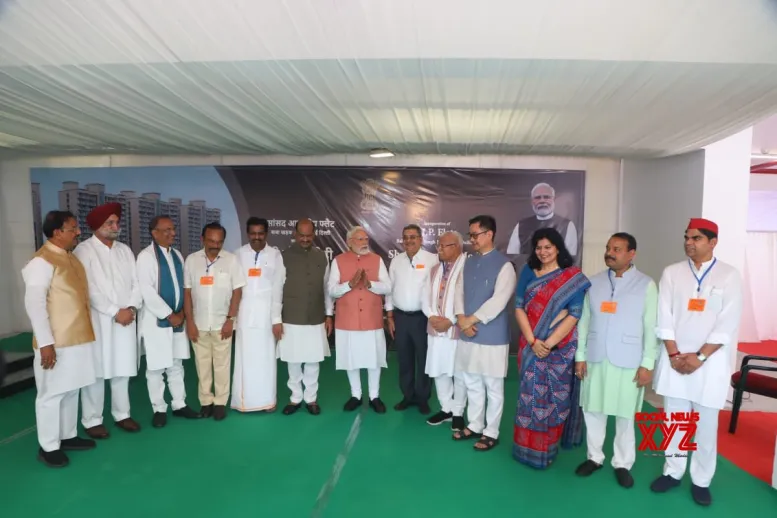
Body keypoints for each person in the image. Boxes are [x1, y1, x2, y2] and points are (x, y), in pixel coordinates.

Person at [650, 218, 743, 507]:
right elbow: (663, 315)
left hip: (709, 364)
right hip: (675, 360)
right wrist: (674, 354)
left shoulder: (729, 275)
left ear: (713, 242)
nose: (689, 242)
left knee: (705, 426)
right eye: (687, 237)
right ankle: (673, 472)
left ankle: (701, 480)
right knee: (675, 420)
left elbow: (728, 322)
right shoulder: (672, 272)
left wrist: (700, 356)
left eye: (696, 238)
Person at [573, 233, 658, 488]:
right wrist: (580, 356)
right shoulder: (593, 282)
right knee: (593, 410)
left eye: (617, 249)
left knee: (625, 414)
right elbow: (584, 321)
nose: (610, 253)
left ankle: (622, 463)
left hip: (629, 360)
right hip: (596, 356)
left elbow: (651, 326)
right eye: (609, 248)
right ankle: (594, 457)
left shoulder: (646, 284)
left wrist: (648, 363)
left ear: (632, 254)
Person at [22, 210, 98, 467]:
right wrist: (45, 343)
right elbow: (35, 305)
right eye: (72, 228)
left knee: (71, 389)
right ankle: (49, 446)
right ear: (57, 232)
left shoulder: (69, 257)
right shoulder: (41, 262)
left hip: (77, 339)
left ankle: (67, 435)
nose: (78, 232)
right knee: (51, 394)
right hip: (56, 342)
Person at [513, 227, 591, 468]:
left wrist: (547, 344)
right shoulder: (528, 271)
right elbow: (519, 307)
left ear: (558, 248)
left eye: (548, 247)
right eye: (538, 247)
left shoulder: (571, 278)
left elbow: (574, 315)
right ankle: (526, 450)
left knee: (555, 400)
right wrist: (533, 342)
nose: (543, 252)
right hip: (531, 346)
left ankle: (548, 448)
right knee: (529, 400)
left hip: (558, 351)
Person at [73, 203, 143, 439]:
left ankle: (122, 414)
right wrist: (115, 311)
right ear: (96, 226)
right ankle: (92, 419)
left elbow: (137, 283)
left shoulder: (125, 250)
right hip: (99, 320)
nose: (115, 226)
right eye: (109, 223)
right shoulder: (84, 250)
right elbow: (88, 288)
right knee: (96, 370)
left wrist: (130, 308)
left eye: (116, 222)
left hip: (126, 319)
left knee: (122, 367)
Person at [453, 215, 517, 451]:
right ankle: (475, 425)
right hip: (468, 332)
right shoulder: (468, 261)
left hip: (492, 335)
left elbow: (499, 300)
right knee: (472, 381)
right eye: (470, 235)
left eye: (475, 235)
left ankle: (491, 432)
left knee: (493, 386)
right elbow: (458, 291)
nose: (471, 239)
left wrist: (470, 320)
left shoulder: (505, 265)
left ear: (489, 234)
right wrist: (461, 318)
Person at [136, 216, 201, 428]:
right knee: (156, 367)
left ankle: (179, 404)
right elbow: (146, 290)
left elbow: (183, 286)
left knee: (176, 364)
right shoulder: (146, 257)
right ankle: (159, 408)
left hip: (178, 319)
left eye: (173, 229)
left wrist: (181, 312)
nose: (172, 233)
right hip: (157, 320)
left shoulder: (177, 255)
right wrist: (168, 314)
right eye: (167, 230)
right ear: (154, 233)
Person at [184, 222, 246, 421]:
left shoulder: (232, 260)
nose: (215, 245)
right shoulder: (192, 260)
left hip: (222, 324)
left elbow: (237, 291)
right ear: (202, 239)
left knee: (222, 365)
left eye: (219, 242)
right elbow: (187, 293)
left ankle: (220, 402)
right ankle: (206, 402)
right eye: (211, 241)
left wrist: (230, 320)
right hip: (198, 324)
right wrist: (190, 322)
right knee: (201, 365)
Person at [328, 226, 391, 413]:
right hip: (347, 320)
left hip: (372, 319)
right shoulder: (338, 260)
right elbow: (331, 290)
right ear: (349, 242)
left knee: (374, 359)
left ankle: (374, 396)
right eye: (360, 239)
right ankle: (356, 395)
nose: (364, 243)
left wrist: (371, 284)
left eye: (366, 239)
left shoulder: (377, 259)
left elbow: (388, 287)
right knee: (351, 359)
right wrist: (349, 285)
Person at [277, 218, 333, 415]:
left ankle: (311, 398)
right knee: (293, 360)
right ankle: (295, 398)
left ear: (314, 235)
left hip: (315, 317)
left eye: (309, 235)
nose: (305, 239)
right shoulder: (283, 257)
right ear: (294, 234)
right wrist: (276, 318)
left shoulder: (321, 257)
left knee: (312, 360)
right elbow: (277, 289)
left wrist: (328, 314)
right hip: (291, 317)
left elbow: (326, 288)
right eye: (301, 235)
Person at [386, 224, 439, 414]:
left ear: (421, 239)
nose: (409, 241)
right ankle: (407, 396)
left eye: (413, 237)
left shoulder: (432, 259)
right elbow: (389, 289)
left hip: (422, 318)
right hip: (400, 317)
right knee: (404, 359)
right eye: (406, 237)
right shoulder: (396, 261)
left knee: (424, 359)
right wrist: (389, 315)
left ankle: (423, 398)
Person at [232, 217, 284, 413]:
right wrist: (232, 318)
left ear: (266, 234)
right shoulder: (238, 254)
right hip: (244, 314)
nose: (257, 237)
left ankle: (267, 401)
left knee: (266, 359)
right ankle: (243, 402)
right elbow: (233, 288)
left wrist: (276, 319)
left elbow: (278, 288)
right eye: (253, 233)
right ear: (247, 234)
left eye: (260, 233)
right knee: (244, 358)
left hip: (266, 316)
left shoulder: (275, 255)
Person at [422, 231, 468, 430]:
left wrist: (451, 321)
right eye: (438, 246)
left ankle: (458, 412)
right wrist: (432, 316)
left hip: (457, 329)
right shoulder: (434, 269)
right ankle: (446, 408)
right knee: (439, 369)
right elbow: (424, 297)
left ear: (456, 247)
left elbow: (470, 300)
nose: (438, 249)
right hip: (435, 328)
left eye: (443, 246)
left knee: (458, 372)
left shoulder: (467, 268)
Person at [506, 183, 578, 259]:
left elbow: (570, 258)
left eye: (546, 197)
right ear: (532, 201)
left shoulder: (567, 225)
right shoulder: (521, 226)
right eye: (537, 197)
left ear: (553, 200)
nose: (542, 201)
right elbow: (512, 256)